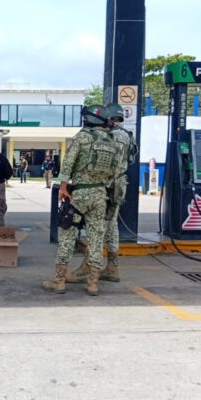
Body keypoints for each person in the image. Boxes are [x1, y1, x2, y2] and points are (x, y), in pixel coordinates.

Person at [42, 104, 130, 296]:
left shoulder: (81, 138)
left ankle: (59, 281)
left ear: (88, 119)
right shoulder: (111, 141)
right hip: (100, 196)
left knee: (67, 235)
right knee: (96, 238)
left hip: (79, 195)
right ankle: (93, 284)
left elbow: (68, 163)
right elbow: (115, 171)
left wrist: (63, 187)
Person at [66, 104, 137, 285]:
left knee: (98, 228)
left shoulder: (113, 136)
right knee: (110, 225)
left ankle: (88, 268)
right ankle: (112, 267)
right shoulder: (128, 135)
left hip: (109, 185)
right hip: (119, 184)